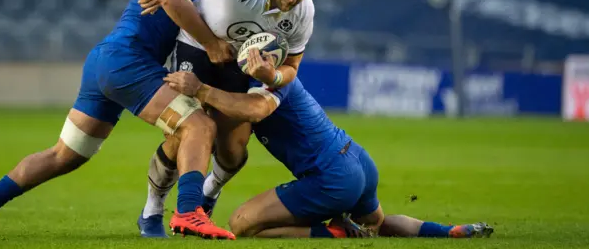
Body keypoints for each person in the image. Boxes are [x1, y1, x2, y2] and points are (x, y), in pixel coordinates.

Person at [0, 0, 236, 240]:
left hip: (104, 61)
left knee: (64, 155)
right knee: (199, 126)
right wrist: (213, 44)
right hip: (129, 62)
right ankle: (190, 212)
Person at [163, 48, 495, 239]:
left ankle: (335, 233)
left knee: (242, 224)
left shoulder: (264, 88)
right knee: (377, 224)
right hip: (358, 162)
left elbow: (250, 109)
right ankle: (449, 232)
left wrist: (201, 90)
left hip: (332, 177)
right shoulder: (278, 76)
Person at [137, 0, 325, 231]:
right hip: (198, 45)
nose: (292, 0)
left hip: (242, 64)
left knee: (234, 147)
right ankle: (153, 209)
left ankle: (210, 192)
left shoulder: (304, 11)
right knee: (186, 130)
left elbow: (292, 66)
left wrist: (272, 77)